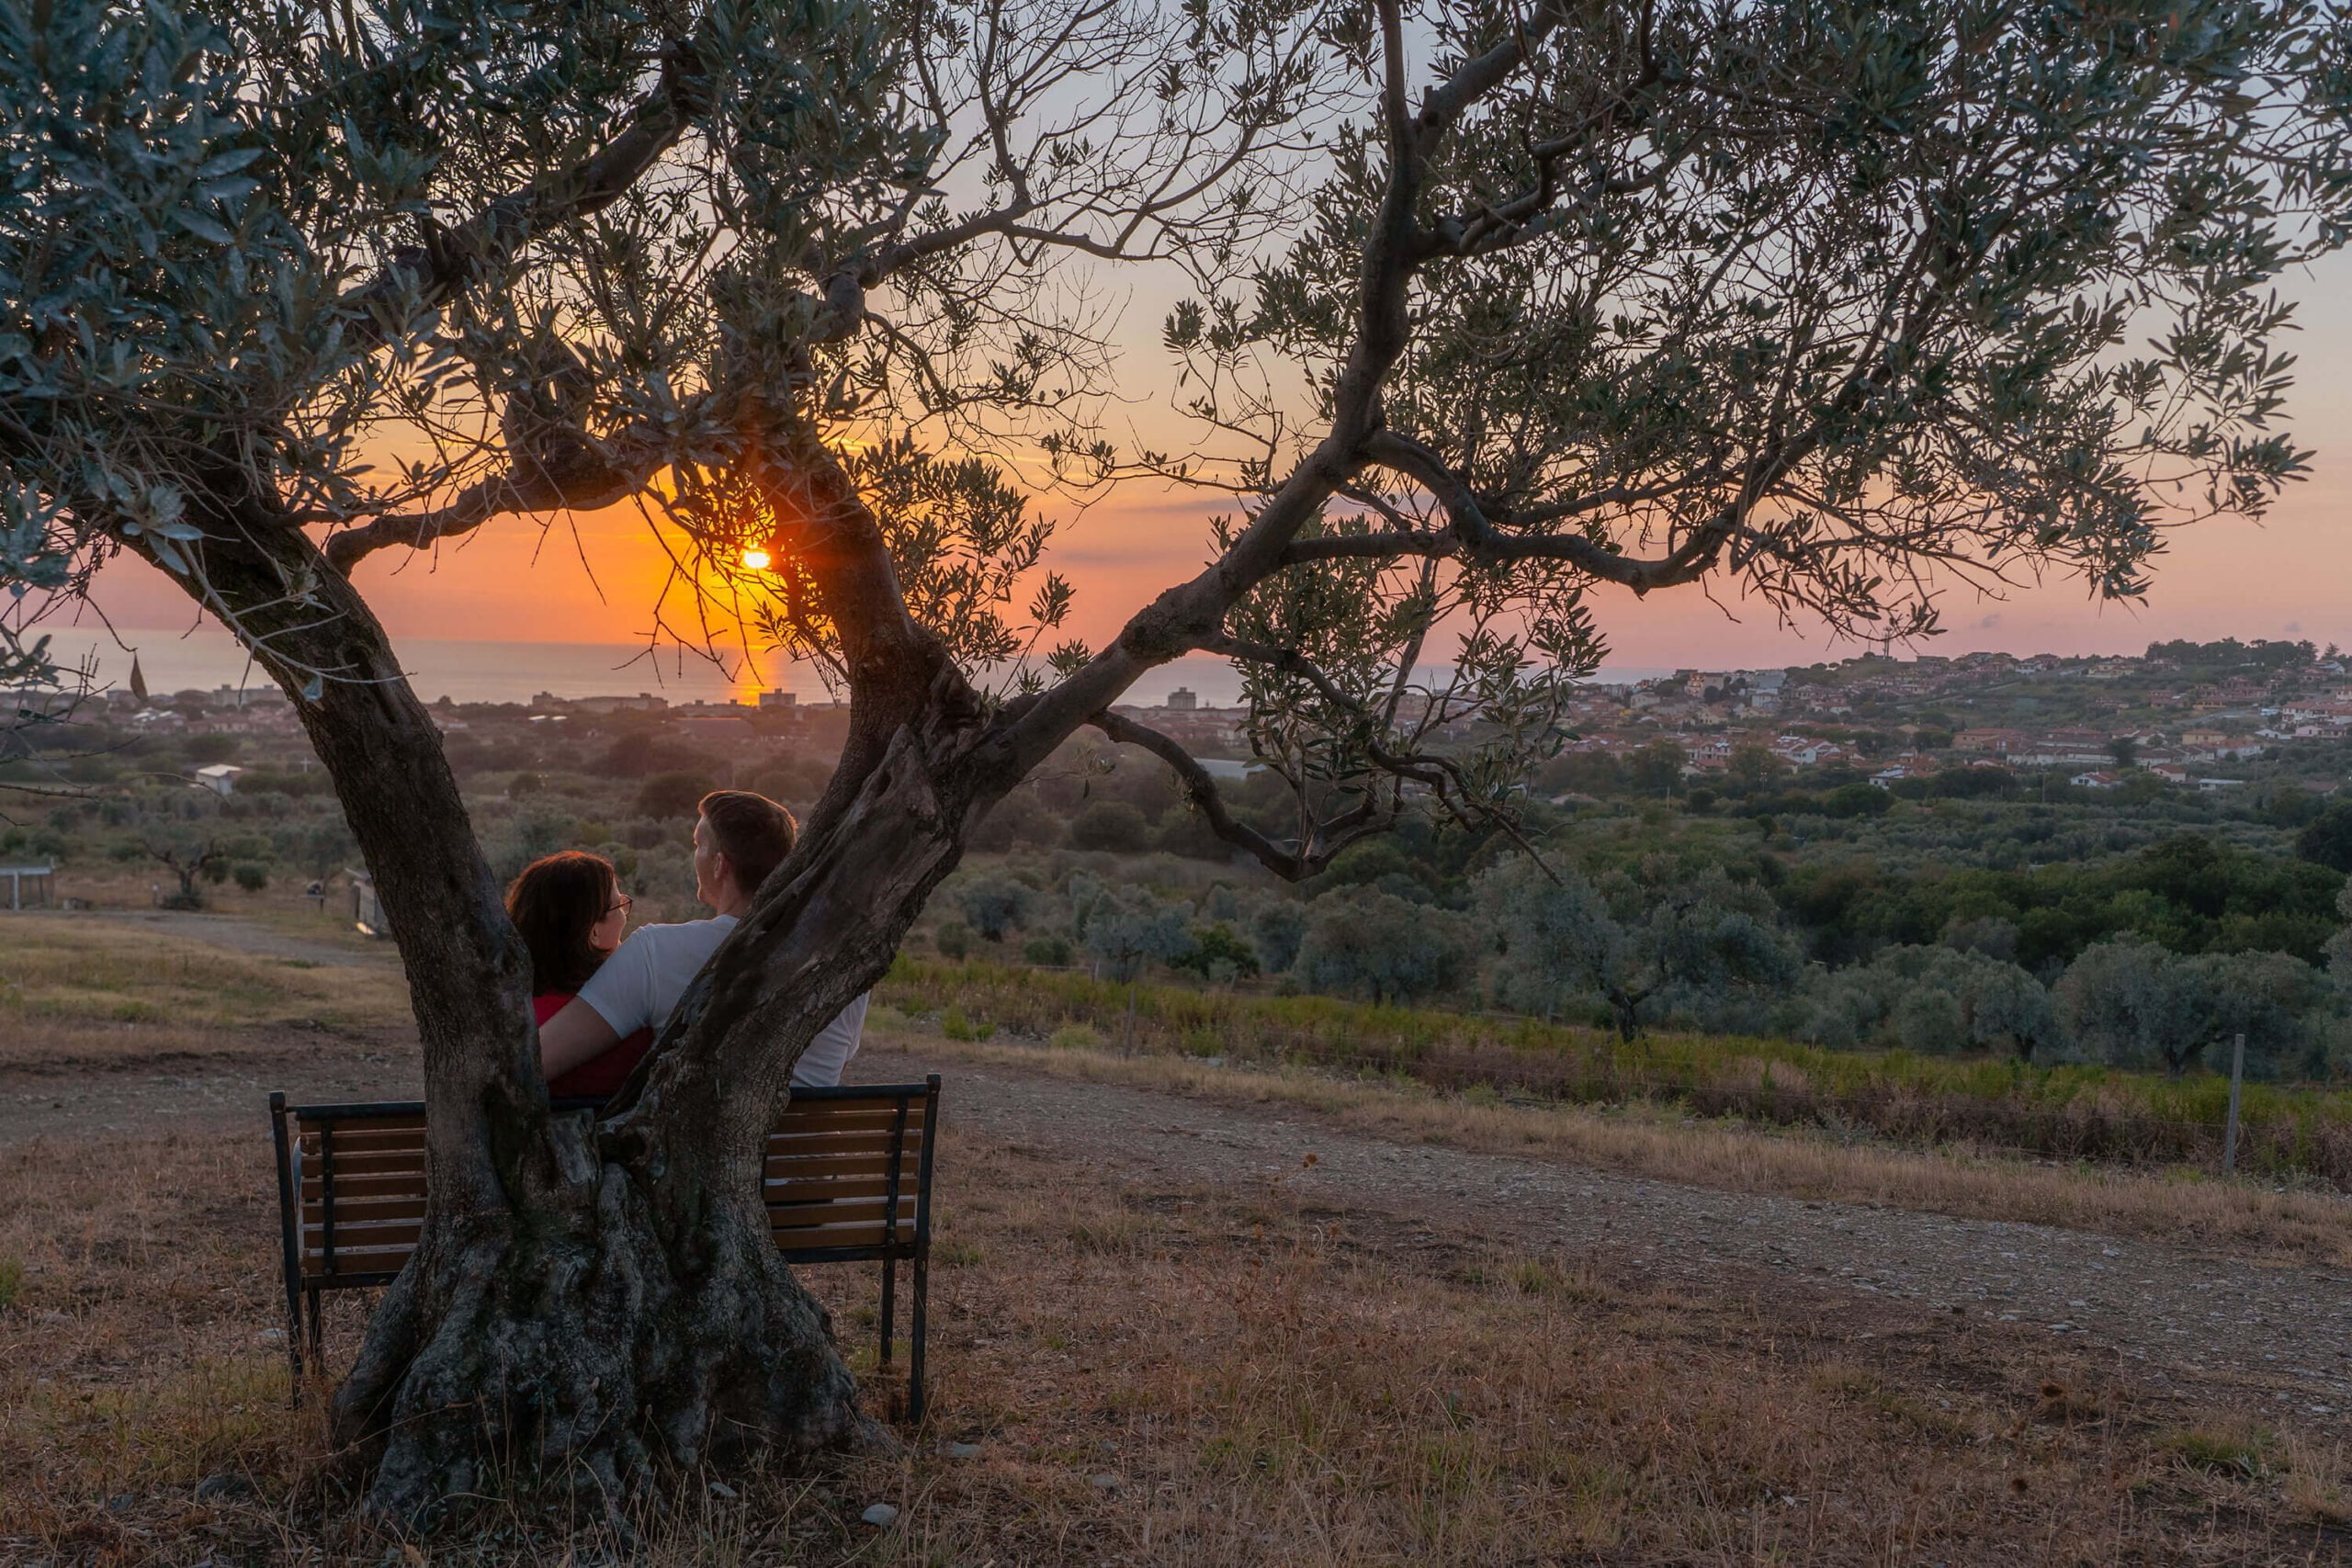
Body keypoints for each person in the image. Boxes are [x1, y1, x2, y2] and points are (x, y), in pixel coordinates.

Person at [537, 789, 867, 1090]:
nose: (694, 856)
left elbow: (537, 1061)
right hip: (811, 1140)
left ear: (720, 864)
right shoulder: (844, 962)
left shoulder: (655, 952)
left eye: (698, 845)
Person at [504, 850, 652, 1099]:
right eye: (619, 905)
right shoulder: (635, 1027)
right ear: (594, 933)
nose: (624, 916)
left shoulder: (504, 1021)